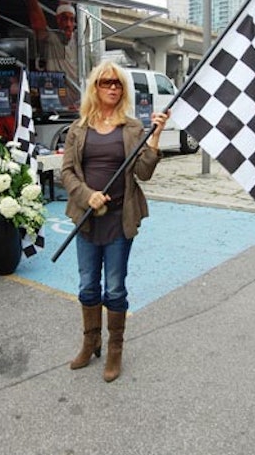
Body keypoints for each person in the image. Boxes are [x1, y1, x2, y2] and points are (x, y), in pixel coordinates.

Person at [61, 61, 169, 382]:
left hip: (121, 218)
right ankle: (90, 339)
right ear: (95, 87)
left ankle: (115, 349)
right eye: (107, 82)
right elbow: (66, 172)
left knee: (116, 288)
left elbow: (144, 172)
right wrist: (86, 195)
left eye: (118, 84)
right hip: (86, 218)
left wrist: (156, 136)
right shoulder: (78, 128)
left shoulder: (132, 127)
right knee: (87, 285)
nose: (113, 87)